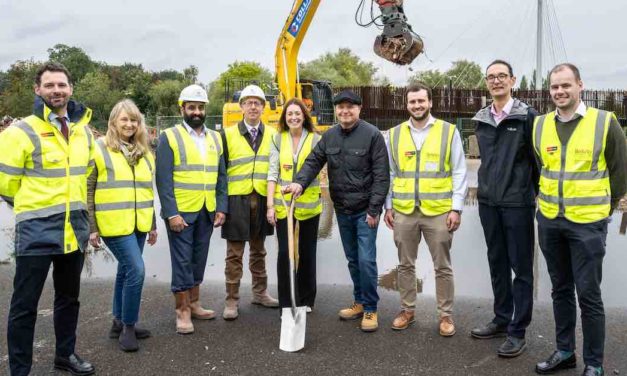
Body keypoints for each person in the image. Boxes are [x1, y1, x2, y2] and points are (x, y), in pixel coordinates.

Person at [0, 62, 95, 375]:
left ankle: (64, 355)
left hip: (73, 230)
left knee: (69, 300)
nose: (57, 90)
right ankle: (20, 370)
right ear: (37, 90)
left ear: (71, 89)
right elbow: (5, 184)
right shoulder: (20, 132)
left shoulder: (82, 130)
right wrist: (31, 206)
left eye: (62, 85)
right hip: (36, 233)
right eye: (50, 85)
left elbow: (87, 174)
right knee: (24, 307)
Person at [533, 63, 627, 376]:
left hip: (587, 224)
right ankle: (564, 351)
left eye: (565, 86)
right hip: (550, 221)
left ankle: (595, 363)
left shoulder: (604, 122)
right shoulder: (540, 125)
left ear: (580, 86)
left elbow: (619, 170)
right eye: (555, 87)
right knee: (560, 290)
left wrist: (605, 207)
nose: (560, 92)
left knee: (588, 295)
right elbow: (540, 168)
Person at [284, 90, 390, 332]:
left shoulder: (372, 136)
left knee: (365, 259)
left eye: (350, 107)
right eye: (340, 108)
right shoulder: (329, 136)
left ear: (359, 109)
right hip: (343, 210)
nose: (345, 111)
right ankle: (360, 302)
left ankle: (371, 308)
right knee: (353, 259)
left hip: (366, 212)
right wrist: (300, 182)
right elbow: (313, 161)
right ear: (336, 111)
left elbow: (382, 177)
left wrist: (374, 211)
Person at [383, 83, 467, 337]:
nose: (417, 105)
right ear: (406, 105)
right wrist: (389, 205)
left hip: (439, 212)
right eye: (412, 102)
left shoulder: (448, 132)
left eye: (421, 101)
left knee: (442, 266)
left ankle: (445, 316)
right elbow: (390, 172)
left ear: (430, 102)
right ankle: (407, 310)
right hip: (404, 211)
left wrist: (456, 208)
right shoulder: (395, 134)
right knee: (405, 265)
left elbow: (459, 171)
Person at [470, 60, 539, 358]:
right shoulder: (482, 118)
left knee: (520, 268)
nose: (496, 81)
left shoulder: (527, 116)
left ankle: (517, 331)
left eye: (501, 76)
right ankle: (501, 318)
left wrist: (530, 193)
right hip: (489, 202)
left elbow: (537, 161)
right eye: (491, 77)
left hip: (517, 203)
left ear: (512, 80)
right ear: (486, 83)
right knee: (496, 261)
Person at [155, 84, 228, 334]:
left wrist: (221, 207)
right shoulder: (170, 136)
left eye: (200, 107)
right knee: (182, 261)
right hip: (181, 212)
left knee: (199, 259)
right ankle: (182, 311)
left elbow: (221, 176)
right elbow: (163, 180)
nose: (196, 112)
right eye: (191, 107)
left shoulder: (215, 138)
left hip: (207, 210)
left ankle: (195, 303)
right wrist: (171, 213)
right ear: (182, 108)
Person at [87, 99, 157, 352]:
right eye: (124, 119)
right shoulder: (99, 148)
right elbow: (89, 189)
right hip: (113, 223)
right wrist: (91, 227)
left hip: (138, 223)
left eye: (134, 120)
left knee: (125, 272)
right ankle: (129, 325)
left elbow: (148, 190)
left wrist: (151, 224)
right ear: (113, 121)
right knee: (136, 270)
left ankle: (117, 321)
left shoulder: (144, 152)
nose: (129, 124)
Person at [220, 84, 279, 320]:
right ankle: (231, 300)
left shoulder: (274, 135)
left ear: (264, 107)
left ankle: (260, 293)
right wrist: (221, 206)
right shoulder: (227, 135)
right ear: (241, 106)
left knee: (259, 251)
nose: (253, 106)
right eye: (249, 102)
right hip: (237, 201)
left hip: (263, 200)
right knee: (234, 254)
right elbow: (221, 173)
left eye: (257, 102)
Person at [267, 98, 322, 311]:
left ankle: (306, 300)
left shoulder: (316, 140)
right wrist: (270, 205)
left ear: (304, 116)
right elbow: (272, 173)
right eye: (289, 114)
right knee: (285, 254)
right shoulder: (277, 140)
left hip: (309, 207)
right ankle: (287, 302)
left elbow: (318, 168)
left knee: (307, 253)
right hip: (283, 208)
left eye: (297, 114)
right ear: (284, 117)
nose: (293, 117)